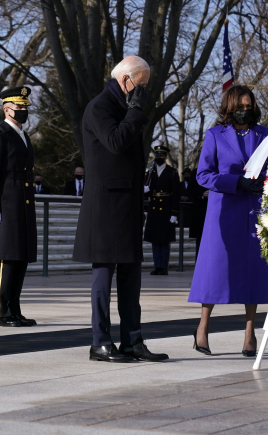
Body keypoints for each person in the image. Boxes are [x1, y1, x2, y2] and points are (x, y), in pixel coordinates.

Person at [72, 56, 168, 363]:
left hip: (126, 204)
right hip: (105, 206)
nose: (143, 93)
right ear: (125, 79)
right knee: (104, 276)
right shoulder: (100, 106)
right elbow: (114, 142)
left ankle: (132, 341)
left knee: (131, 276)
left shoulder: (125, 108)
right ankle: (100, 342)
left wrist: (133, 112)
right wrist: (135, 112)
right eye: (140, 86)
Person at [189, 84, 268, 357]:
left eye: (249, 107)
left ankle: (250, 334)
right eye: (240, 107)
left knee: (253, 272)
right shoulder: (215, 135)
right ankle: (202, 327)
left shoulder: (265, 134)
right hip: (223, 212)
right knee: (214, 271)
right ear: (229, 107)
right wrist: (235, 182)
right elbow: (203, 175)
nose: (244, 111)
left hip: (254, 212)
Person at [0, 87, 38, 326]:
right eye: (19, 107)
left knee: (20, 257)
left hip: (22, 204)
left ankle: (14, 309)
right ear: (7, 109)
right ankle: (1, 313)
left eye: (25, 107)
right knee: (5, 258)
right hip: (6, 204)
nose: (23, 111)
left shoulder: (24, 135)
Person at [144, 144, 179, 275]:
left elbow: (175, 194)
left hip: (166, 208)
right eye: (157, 155)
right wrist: (145, 190)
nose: (159, 157)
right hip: (154, 209)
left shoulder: (172, 172)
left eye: (161, 155)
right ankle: (156, 266)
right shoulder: (150, 172)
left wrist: (174, 212)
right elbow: (146, 189)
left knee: (164, 241)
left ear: (165, 157)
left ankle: (163, 267)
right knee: (154, 240)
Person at [181, 167, 208, 256]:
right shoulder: (197, 171)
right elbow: (191, 189)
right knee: (200, 240)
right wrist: (202, 194)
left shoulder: (219, 169)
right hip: (201, 210)